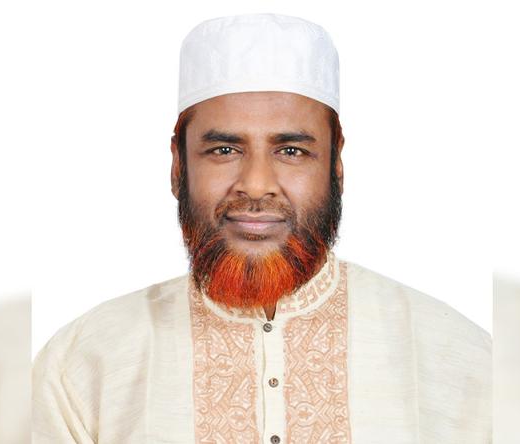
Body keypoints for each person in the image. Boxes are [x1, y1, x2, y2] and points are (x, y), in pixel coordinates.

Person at [33, 13, 491, 443]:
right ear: (177, 165)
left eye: (291, 151)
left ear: (336, 165)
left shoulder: (460, 362)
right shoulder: (83, 368)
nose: (255, 184)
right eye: (224, 150)